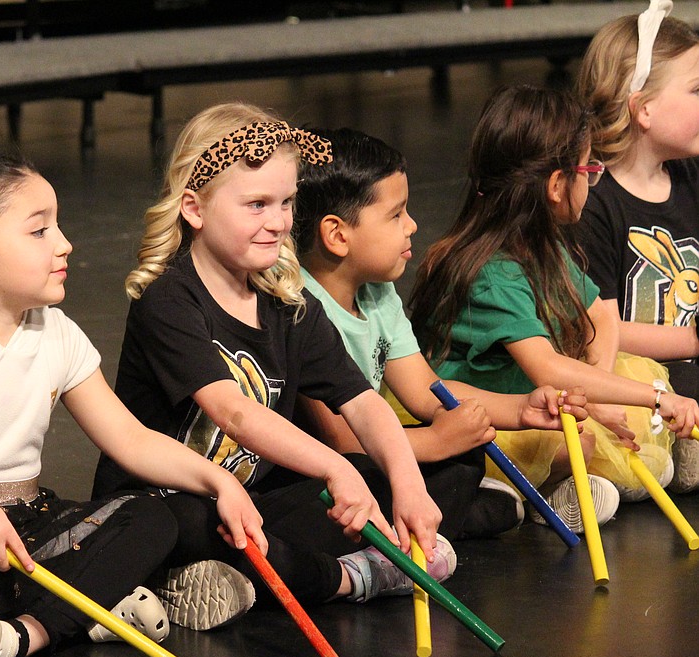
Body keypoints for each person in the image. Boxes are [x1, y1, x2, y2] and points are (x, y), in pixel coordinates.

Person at [0, 152, 265, 657]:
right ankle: (85, 607)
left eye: (57, 226)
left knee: (149, 519)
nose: (64, 243)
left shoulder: (53, 330)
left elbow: (130, 439)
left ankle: (26, 635)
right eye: (39, 231)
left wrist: (219, 481)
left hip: (28, 521)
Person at [91, 102, 455, 610]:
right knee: (196, 525)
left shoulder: (289, 301)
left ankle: (239, 581)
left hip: (250, 500)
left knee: (392, 477)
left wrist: (408, 485)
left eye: (286, 203)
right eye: (256, 205)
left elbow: (361, 401)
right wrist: (334, 468)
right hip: (166, 500)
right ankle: (343, 581)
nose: (279, 222)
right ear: (194, 209)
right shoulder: (169, 300)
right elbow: (234, 412)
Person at [409, 84, 699, 532]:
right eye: (590, 168)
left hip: (537, 394)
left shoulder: (540, 242)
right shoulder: (493, 272)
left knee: (601, 417)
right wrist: (657, 398)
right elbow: (547, 369)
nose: (594, 178)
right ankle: (536, 490)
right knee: (577, 444)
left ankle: (562, 486)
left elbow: (599, 313)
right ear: (557, 185)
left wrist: (598, 390)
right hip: (487, 409)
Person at [296, 127, 588, 538]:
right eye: (396, 215)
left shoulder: (377, 293)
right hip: (323, 471)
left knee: (463, 460)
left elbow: (427, 391)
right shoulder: (299, 307)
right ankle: (414, 538)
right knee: (413, 469)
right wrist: (434, 442)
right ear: (338, 235)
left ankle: (445, 517)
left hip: (372, 452)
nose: (412, 225)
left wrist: (522, 409)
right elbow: (341, 439)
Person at [576, 1, 699, 491]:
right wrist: (693, 341)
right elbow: (602, 331)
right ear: (644, 108)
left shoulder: (690, 178)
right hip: (639, 376)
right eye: (696, 90)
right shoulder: (595, 202)